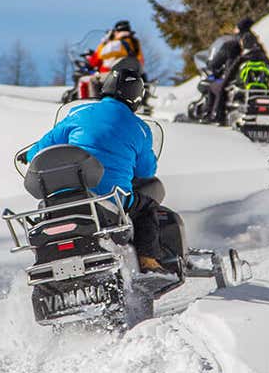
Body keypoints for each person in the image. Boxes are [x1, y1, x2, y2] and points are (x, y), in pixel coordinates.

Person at [23, 58, 168, 273]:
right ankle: (148, 261)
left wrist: (27, 156)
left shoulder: (78, 113)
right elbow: (146, 172)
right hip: (110, 199)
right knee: (146, 206)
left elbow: (39, 151)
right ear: (137, 97)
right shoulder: (140, 129)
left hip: (62, 196)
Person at [196, 17, 256, 121]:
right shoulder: (255, 46)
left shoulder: (231, 45)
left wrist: (210, 65)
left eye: (236, 28)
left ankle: (212, 114)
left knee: (213, 86)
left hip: (232, 78)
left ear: (240, 30)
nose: (234, 31)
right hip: (252, 80)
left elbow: (216, 62)